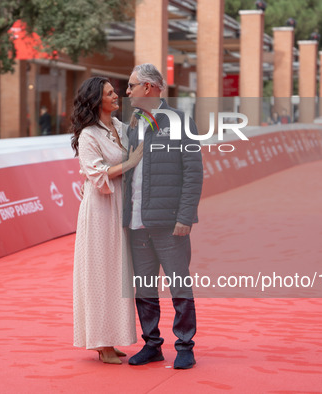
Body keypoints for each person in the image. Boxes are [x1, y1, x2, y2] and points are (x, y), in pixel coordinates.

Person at [123, 64, 203, 369]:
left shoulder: (181, 121)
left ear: (149, 87)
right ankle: (152, 344)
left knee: (179, 285)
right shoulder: (133, 125)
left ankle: (185, 346)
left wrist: (185, 216)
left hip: (170, 224)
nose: (127, 92)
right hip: (136, 224)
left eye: (131, 86)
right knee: (144, 288)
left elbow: (193, 173)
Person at [71, 76, 143, 364]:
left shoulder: (123, 129)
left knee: (119, 273)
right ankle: (101, 343)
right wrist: (131, 162)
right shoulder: (89, 134)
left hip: (122, 207)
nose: (117, 96)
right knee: (100, 274)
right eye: (110, 93)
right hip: (100, 209)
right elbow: (96, 172)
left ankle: (113, 337)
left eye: (116, 92)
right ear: (96, 100)